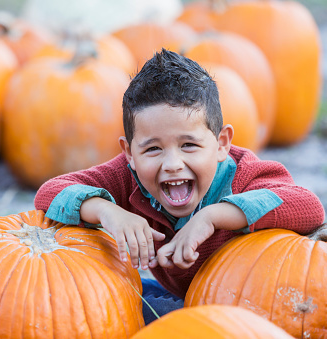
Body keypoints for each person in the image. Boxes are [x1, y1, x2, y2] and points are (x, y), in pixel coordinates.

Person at [33, 49, 325, 324]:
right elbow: (50, 192)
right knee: (108, 299)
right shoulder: (125, 176)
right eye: (153, 149)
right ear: (129, 153)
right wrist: (107, 211)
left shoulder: (242, 173)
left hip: (254, 307)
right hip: (186, 299)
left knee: (152, 317)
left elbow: (307, 206)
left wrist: (211, 218)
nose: (173, 163)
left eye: (188, 145)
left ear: (221, 143)